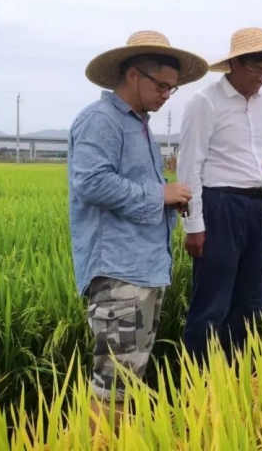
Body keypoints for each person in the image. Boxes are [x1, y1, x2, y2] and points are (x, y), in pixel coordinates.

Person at [67, 30, 208, 433]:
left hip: (143, 266)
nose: (166, 95)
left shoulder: (140, 126)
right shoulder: (102, 120)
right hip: (118, 271)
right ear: (133, 75)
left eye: (172, 88)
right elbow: (91, 182)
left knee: (127, 377)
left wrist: (166, 199)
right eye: (161, 85)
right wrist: (159, 193)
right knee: (113, 380)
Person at [177, 27, 262, 365]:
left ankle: (237, 378)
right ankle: (199, 381)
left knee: (251, 300)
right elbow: (189, 166)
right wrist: (193, 225)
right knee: (212, 301)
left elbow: (256, 158)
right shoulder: (205, 102)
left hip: (255, 205)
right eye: (257, 70)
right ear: (234, 63)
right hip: (220, 204)